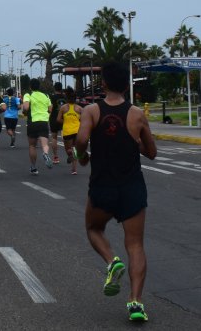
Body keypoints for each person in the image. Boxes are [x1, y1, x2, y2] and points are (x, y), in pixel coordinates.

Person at [75, 61, 156, 322]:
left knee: (93, 228)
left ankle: (112, 262)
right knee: (135, 245)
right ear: (126, 85)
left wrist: (82, 156)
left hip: (102, 186)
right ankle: (136, 303)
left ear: (105, 83)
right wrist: (133, 142)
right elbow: (151, 152)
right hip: (132, 186)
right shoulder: (136, 115)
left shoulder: (91, 111)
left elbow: (81, 140)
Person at [20, 79, 53, 175]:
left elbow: (25, 107)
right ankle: (45, 153)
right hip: (43, 121)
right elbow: (50, 108)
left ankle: (33, 167)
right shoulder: (46, 95)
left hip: (33, 122)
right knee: (45, 144)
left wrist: (25, 112)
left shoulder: (28, 94)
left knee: (32, 145)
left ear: (30, 86)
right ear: (39, 86)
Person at [58, 88, 82, 175]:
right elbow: (83, 120)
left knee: (68, 150)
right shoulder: (79, 108)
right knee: (74, 148)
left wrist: (65, 121)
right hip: (77, 131)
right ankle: (74, 170)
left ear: (67, 98)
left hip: (67, 131)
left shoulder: (63, 108)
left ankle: (70, 154)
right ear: (75, 99)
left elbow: (58, 119)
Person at [49, 81, 66, 165]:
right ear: (61, 88)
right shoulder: (65, 97)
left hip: (54, 119)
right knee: (66, 137)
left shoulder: (52, 97)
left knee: (54, 137)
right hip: (64, 119)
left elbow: (50, 109)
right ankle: (71, 154)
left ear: (54, 88)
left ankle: (56, 157)